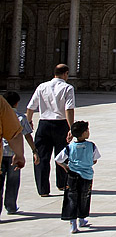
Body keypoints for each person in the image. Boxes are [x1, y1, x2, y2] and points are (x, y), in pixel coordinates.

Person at [26, 63, 76, 197]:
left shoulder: (42, 86)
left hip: (44, 124)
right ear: (65, 74)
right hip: (60, 125)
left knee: (41, 157)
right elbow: (69, 109)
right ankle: (62, 184)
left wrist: (28, 121)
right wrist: (71, 127)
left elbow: (31, 107)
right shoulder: (67, 88)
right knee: (62, 156)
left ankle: (43, 190)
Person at [55, 121, 100, 234]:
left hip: (72, 176)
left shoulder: (70, 147)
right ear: (84, 133)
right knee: (84, 197)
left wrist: (65, 166)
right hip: (86, 176)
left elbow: (58, 159)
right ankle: (82, 218)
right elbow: (95, 159)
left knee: (71, 198)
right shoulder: (91, 145)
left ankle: (73, 223)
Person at [2, 91, 39, 218]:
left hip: (1, 154)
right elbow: (27, 135)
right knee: (13, 182)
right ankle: (11, 206)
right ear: (17, 103)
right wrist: (34, 151)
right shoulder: (20, 118)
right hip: (14, 155)